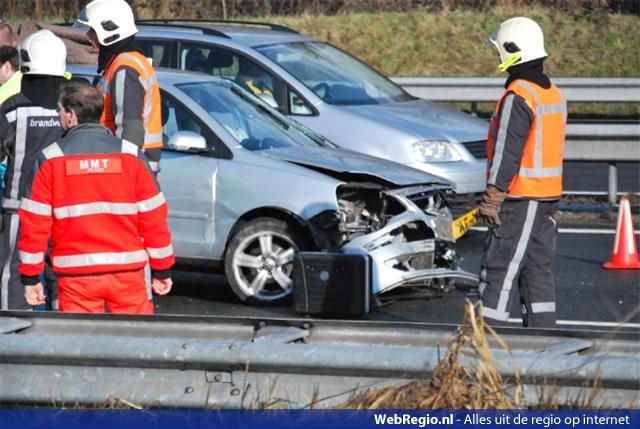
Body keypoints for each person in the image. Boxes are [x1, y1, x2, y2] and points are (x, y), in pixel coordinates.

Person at [19, 81, 174, 314]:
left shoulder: (50, 159)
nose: (59, 116)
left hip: (76, 279)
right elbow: (154, 217)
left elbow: (34, 224)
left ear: (71, 116)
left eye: (60, 111)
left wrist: (31, 277)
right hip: (128, 276)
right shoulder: (131, 156)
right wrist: (162, 269)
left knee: (80, 345)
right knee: (135, 344)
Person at [478, 17, 566, 328]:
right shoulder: (551, 92)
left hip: (520, 197)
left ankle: (487, 341)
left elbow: (507, 152)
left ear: (512, 52)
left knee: (499, 268)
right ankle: (543, 345)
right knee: (536, 268)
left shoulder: (519, 95)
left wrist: (493, 196)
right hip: (547, 197)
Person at [0, 29, 68, 310]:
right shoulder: (69, 109)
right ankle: (63, 334)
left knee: (12, 272)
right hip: (62, 206)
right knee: (60, 271)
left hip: (19, 206)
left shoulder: (11, 108)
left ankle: (11, 337)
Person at [77, 0, 163, 174]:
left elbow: (130, 131)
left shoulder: (125, 68)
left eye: (93, 30)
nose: (88, 35)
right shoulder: (127, 62)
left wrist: (120, 174)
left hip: (129, 168)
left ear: (109, 31)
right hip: (135, 164)